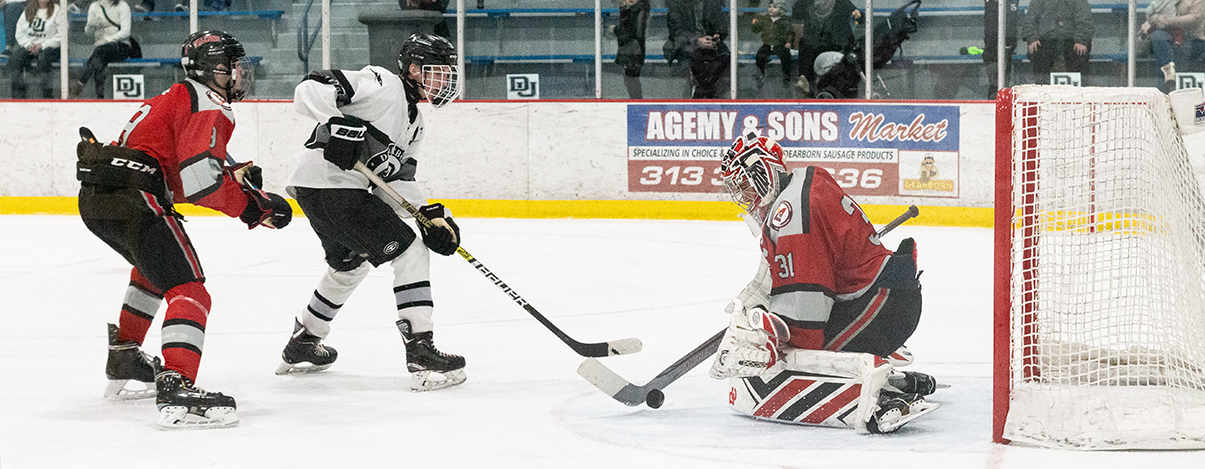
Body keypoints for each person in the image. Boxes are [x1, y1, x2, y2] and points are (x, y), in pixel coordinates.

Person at [76, 30, 292, 429]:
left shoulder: (178, 96)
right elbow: (200, 185)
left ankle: (125, 353)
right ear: (214, 69)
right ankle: (177, 383)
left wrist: (230, 172)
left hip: (98, 197)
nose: (241, 75)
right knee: (190, 290)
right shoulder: (209, 102)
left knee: (154, 271)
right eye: (233, 67)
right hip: (132, 196)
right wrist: (254, 207)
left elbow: (177, 169)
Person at [274, 33, 467, 393]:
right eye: (438, 72)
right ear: (412, 69)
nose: (445, 81)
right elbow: (311, 87)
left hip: (320, 190)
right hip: (330, 185)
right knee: (410, 252)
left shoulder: (416, 123)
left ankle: (304, 339)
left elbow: (397, 180)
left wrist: (429, 214)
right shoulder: (382, 83)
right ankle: (420, 347)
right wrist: (335, 123)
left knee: (349, 263)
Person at [708, 132, 937, 433]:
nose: (747, 199)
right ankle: (903, 383)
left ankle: (879, 394)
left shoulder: (789, 213)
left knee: (795, 356)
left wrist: (773, 338)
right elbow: (775, 274)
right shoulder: (801, 184)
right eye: (740, 191)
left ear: (765, 173)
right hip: (882, 298)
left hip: (880, 305)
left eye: (748, 187)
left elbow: (806, 324)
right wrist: (749, 307)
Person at [791, 0, 861, 97]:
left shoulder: (841, 2)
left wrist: (858, 14)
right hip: (815, 41)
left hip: (835, 42)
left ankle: (827, 87)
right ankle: (804, 80)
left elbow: (860, 16)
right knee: (805, 45)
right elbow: (796, 14)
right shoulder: (807, 3)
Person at [666, 0, 729, 99]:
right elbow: (677, 30)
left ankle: (700, 92)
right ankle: (709, 92)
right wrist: (697, 40)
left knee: (724, 56)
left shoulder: (712, 2)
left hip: (709, 43)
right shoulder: (676, 4)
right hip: (684, 43)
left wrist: (717, 35)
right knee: (693, 56)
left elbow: (722, 26)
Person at [1020, 0, 1094, 85]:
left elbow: (1085, 19)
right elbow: (1030, 19)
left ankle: (1080, 90)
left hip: (1071, 39)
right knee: (1038, 51)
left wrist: (1081, 40)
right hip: (1046, 39)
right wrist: (1032, 38)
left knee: (1079, 53)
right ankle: (1042, 89)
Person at [71, 0, 132, 98]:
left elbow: (126, 31)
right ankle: (99, 96)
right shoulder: (94, 6)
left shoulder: (123, 6)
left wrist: (107, 40)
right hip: (100, 48)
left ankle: (82, 82)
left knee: (99, 53)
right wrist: (90, 25)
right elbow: (89, 33)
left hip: (121, 46)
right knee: (99, 60)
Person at [1141, 0, 1205, 92]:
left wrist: (1168, 20)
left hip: (1193, 38)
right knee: (1158, 37)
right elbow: (1150, 15)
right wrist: (1157, 18)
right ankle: (1168, 74)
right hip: (1169, 37)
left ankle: (1174, 83)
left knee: (1185, 51)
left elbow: (1195, 18)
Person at [8, 0, 64, 99]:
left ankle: (47, 95)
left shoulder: (57, 11)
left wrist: (43, 45)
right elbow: (19, 32)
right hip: (30, 47)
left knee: (43, 58)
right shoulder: (28, 10)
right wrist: (28, 45)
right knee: (15, 58)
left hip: (50, 47)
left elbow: (62, 34)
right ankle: (18, 97)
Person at [752, 0, 795, 90]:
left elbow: (790, 33)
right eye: (770, 7)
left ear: (781, 9)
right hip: (767, 44)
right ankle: (761, 74)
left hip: (779, 44)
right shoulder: (765, 19)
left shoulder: (784, 20)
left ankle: (786, 76)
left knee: (785, 56)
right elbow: (756, 30)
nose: (771, 9)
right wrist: (755, 24)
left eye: (774, 7)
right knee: (760, 56)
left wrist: (789, 42)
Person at [612, 0, 649, 99]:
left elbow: (635, 33)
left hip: (633, 53)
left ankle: (638, 107)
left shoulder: (639, 11)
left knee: (632, 83)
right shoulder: (631, 11)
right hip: (629, 52)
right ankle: (637, 105)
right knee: (631, 83)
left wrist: (615, 30)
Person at [983, 0, 1019, 97]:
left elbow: (1012, 23)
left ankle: (1001, 101)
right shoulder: (991, 4)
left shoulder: (1012, 3)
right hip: (992, 47)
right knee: (996, 81)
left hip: (1008, 46)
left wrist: (1011, 44)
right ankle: (994, 101)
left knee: (1004, 82)